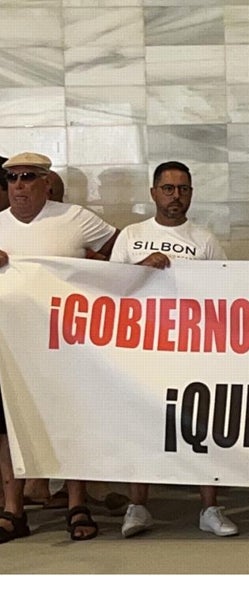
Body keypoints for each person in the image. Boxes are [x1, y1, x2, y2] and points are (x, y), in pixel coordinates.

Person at [109, 161, 239, 538]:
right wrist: (142, 269)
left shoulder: (205, 239)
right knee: (141, 423)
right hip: (143, 346)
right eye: (168, 188)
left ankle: (209, 507)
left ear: (192, 194)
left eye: (183, 189)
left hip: (193, 346)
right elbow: (113, 288)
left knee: (200, 424)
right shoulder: (132, 235)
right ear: (153, 193)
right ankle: (138, 507)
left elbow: (226, 294)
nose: (175, 196)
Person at [0, 152, 118, 543]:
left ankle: (76, 503)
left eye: (28, 177)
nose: (19, 184)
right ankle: (13, 510)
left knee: (70, 419)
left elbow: (119, 251)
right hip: (8, 348)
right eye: (12, 178)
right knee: (8, 427)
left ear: (46, 182)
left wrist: (136, 264)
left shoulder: (74, 218)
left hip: (65, 343)